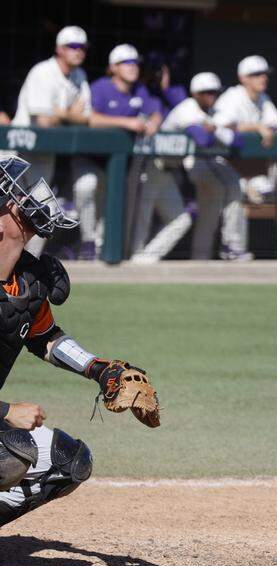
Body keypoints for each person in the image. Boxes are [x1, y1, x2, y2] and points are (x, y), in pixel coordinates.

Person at [0, 156, 160, 526]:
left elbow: (43, 336)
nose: (24, 198)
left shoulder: (28, 281)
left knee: (66, 462)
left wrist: (99, 369)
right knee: (10, 455)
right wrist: (6, 412)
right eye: (12, 195)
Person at [141, 72, 241, 262]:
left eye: (215, 92)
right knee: (139, 224)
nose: (211, 96)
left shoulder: (211, 112)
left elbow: (237, 141)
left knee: (181, 221)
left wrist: (215, 127)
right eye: (206, 92)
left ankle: (143, 261)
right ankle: (129, 266)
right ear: (195, 94)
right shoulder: (188, 108)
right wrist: (215, 128)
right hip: (150, 167)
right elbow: (202, 139)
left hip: (169, 173)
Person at [12, 26, 92, 258]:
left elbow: (87, 119)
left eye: (82, 47)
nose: (78, 51)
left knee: (40, 214)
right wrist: (70, 113)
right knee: (13, 214)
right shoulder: (43, 72)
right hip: (17, 152)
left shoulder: (80, 76)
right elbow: (43, 121)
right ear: (59, 49)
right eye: (72, 47)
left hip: (46, 154)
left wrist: (61, 113)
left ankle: (21, 266)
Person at [212, 55, 277, 260]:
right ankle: (230, 246)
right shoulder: (232, 97)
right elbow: (219, 125)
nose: (262, 78)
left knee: (268, 187)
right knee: (233, 190)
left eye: (264, 74)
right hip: (212, 161)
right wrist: (256, 126)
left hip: (243, 169)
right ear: (243, 78)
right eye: (256, 74)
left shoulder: (263, 99)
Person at [90, 44, 164, 262]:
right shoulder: (101, 87)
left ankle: (107, 252)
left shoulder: (139, 90)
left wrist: (153, 121)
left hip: (122, 166)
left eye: (135, 63)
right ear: (113, 67)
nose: (133, 67)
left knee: (116, 210)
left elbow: (156, 111)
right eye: (127, 63)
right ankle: (85, 248)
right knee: (88, 195)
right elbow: (91, 119)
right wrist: (127, 122)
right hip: (92, 160)